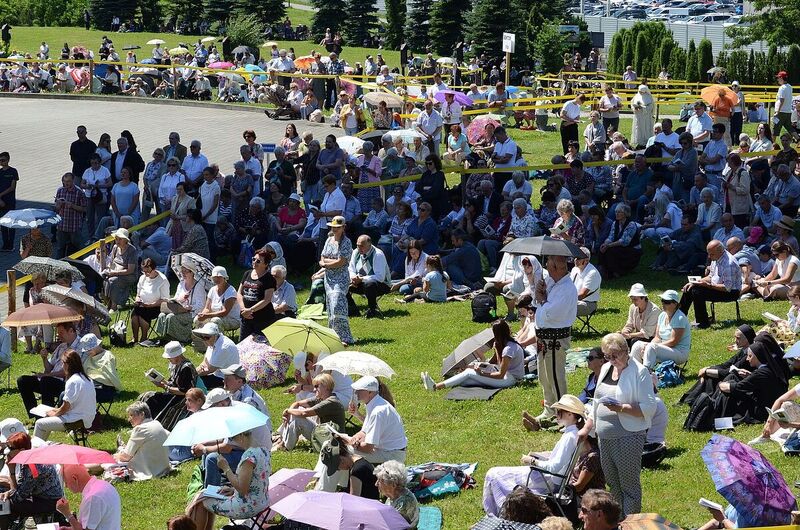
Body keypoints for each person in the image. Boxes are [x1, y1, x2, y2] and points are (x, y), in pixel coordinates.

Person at [579, 333, 656, 517]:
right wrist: (587, 428)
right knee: (613, 484)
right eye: (608, 355)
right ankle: (616, 521)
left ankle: (629, 524)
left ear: (626, 351)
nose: (612, 360)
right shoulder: (606, 368)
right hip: (604, 437)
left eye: (616, 355)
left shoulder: (639, 372)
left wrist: (620, 408)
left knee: (629, 485)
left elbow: (649, 407)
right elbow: (596, 402)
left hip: (628, 436)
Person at [483, 394, 585, 516]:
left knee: (493, 474)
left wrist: (532, 461)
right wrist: (539, 456)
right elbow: (558, 460)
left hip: (547, 480)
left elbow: (555, 467)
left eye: (559, 412)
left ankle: (495, 514)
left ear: (570, 414)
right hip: (549, 477)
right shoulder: (572, 433)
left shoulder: (570, 437)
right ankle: (502, 510)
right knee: (498, 474)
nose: (556, 415)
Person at [315, 376, 407, 491]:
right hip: (387, 450)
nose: (356, 393)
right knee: (331, 446)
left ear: (370, 392)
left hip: (391, 454)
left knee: (335, 450)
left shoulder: (378, 411)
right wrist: (354, 438)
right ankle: (336, 485)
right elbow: (364, 431)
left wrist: (350, 442)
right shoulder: (375, 404)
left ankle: (323, 491)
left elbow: (368, 448)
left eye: (359, 390)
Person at [186, 427, 270, 530]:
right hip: (261, 502)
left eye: (234, 439)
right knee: (206, 496)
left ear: (242, 436)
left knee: (201, 501)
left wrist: (226, 468)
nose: (234, 442)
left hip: (246, 507)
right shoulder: (263, 451)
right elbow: (255, 482)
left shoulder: (248, 458)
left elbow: (242, 490)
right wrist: (232, 490)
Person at [532, 255, 577, 421]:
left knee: (555, 378)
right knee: (543, 376)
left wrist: (542, 299)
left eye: (549, 261)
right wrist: (539, 292)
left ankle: (563, 414)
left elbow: (550, 314)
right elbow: (539, 306)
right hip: (544, 338)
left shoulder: (567, 288)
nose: (546, 263)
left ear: (557, 267)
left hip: (555, 339)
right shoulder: (552, 282)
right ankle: (550, 409)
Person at [422, 319, 524, 392]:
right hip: (505, 374)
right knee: (469, 377)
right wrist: (481, 365)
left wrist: (482, 373)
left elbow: (501, 374)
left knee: (470, 373)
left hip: (510, 379)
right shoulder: (508, 344)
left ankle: (435, 387)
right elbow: (496, 363)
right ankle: (449, 380)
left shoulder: (508, 349)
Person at [680, 325, 757, 407]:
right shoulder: (744, 350)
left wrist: (706, 371)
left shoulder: (749, 356)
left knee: (710, 377)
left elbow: (729, 371)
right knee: (710, 373)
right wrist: (709, 368)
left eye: (738, 338)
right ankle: (691, 399)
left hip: (738, 382)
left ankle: (693, 400)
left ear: (747, 339)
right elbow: (727, 364)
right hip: (732, 375)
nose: (735, 340)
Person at [0, 431, 63, 530]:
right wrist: (8, 493)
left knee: (4, 503)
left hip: (49, 502)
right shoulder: (29, 458)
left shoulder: (33, 467)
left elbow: (18, 497)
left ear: (21, 450)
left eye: (11, 448)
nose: (8, 451)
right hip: (39, 497)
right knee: (3, 497)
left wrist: (11, 469)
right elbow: (19, 488)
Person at [33, 349, 96, 441]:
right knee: (46, 421)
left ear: (68, 364)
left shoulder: (73, 381)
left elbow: (66, 407)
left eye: (63, 363)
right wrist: (54, 410)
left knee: (39, 424)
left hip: (76, 419)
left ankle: (34, 450)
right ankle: (41, 448)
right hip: (87, 417)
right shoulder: (87, 379)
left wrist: (54, 414)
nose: (62, 366)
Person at [274, 373, 346, 452]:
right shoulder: (321, 398)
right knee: (297, 410)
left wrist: (288, 411)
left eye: (316, 386)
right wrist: (289, 412)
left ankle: (285, 446)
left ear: (326, 386)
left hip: (330, 440)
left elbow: (304, 413)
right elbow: (297, 403)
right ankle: (281, 437)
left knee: (298, 417)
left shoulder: (331, 402)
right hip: (322, 432)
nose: (314, 389)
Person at [679, 240, 741, 329]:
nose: (709, 256)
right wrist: (694, 282)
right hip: (717, 287)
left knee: (697, 292)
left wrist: (708, 286)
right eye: (709, 253)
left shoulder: (729, 264)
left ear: (720, 251)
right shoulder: (716, 258)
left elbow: (727, 288)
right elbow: (711, 276)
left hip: (731, 292)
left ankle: (703, 322)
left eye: (711, 254)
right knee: (689, 288)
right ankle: (679, 317)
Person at [141, 341, 197, 428]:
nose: (168, 359)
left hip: (182, 398)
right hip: (175, 394)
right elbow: (173, 383)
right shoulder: (176, 365)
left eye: (170, 357)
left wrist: (164, 386)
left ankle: (152, 424)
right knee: (147, 396)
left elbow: (184, 391)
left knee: (152, 399)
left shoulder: (186, 368)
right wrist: (162, 381)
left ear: (177, 355)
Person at [631, 290, 691, 370]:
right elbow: (657, 337)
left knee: (651, 347)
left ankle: (646, 375)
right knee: (637, 345)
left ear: (675, 304)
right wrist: (647, 346)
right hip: (664, 348)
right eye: (662, 301)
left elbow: (673, 342)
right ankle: (634, 372)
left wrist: (651, 346)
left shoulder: (680, 318)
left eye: (667, 302)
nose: (663, 304)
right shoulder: (662, 315)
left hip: (679, 352)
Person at [319, 216, 355, 345]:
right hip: (328, 278)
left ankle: (344, 336)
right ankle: (333, 335)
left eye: (338, 227)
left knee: (337, 304)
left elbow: (342, 262)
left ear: (343, 228)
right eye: (333, 227)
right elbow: (322, 256)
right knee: (330, 306)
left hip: (341, 278)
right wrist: (327, 262)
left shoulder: (347, 242)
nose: (335, 229)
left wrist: (326, 264)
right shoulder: (329, 240)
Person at [153, 261, 207, 345]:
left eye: (186, 271)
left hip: (192, 313)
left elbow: (201, 306)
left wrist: (190, 307)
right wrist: (180, 299)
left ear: (192, 272)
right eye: (182, 271)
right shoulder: (181, 284)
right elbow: (176, 299)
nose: (183, 274)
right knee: (162, 315)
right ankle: (164, 336)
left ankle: (178, 338)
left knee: (170, 317)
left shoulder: (199, 286)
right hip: (179, 309)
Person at [113, 402, 170, 481]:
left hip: (149, 470)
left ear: (142, 414)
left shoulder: (140, 429)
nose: (129, 419)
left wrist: (116, 456)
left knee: (111, 461)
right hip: (163, 467)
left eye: (132, 415)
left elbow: (125, 457)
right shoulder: (157, 423)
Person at [56, 463, 122, 530]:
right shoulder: (103, 485)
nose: (66, 486)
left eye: (66, 482)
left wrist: (67, 514)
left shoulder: (93, 497)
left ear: (75, 479)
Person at [237, 248, 277, 341]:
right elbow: (239, 293)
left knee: (260, 348)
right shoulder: (247, 273)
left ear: (266, 264)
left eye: (258, 261)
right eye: (253, 259)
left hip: (263, 319)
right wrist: (243, 309)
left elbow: (266, 300)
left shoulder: (269, 279)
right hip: (245, 317)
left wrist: (250, 310)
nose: (254, 262)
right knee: (242, 344)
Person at [194, 266, 241, 345]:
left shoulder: (231, 291)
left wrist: (207, 315)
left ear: (225, 278)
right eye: (214, 277)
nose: (216, 279)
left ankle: (217, 345)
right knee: (197, 319)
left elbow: (225, 312)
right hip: (214, 316)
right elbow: (207, 308)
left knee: (215, 321)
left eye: (219, 277)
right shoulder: (212, 290)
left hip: (232, 319)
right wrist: (203, 314)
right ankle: (201, 344)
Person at [348, 235, 391, 319]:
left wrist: (362, 279)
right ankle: (353, 309)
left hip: (382, 285)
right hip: (360, 282)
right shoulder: (355, 252)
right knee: (341, 282)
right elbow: (351, 268)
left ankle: (372, 310)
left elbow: (380, 277)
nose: (359, 248)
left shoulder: (377, 254)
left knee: (370, 284)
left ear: (369, 244)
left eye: (362, 246)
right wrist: (353, 278)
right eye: (357, 245)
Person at [130, 257, 170, 345]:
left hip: (156, 307)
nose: (146, 274)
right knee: (134, 313)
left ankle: (144, 337)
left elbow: (165, 300)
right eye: (144, 272)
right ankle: (135, 337)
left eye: (148, 272)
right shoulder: (142, 278)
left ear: (154, 269)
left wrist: (151, 305)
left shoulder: (162, 280)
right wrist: (137, 299)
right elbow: (138, 294)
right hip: (142, 305)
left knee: (142, 314)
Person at [596, 203, 642, 280]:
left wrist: (609, 245)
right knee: (602, 248)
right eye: (616, 212)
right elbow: (611, 237)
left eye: (619, 212)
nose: (616, 214)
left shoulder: (631, 224)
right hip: (620, 246)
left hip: (632, 249)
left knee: (611, 250)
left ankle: (616, 271)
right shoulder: (615, 223)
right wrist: (605, 244)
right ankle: (603, 269)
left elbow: (624, 241)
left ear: (625, 214)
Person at [193, 323, 239, 389]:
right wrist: (196, 371)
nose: (204, 340)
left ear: (215, 335)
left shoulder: (223, 347)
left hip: (225, 379)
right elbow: (205, 361)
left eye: (207, 337)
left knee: (194, 383)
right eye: (202, 337)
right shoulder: (213, 342)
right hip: (215, 374)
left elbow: (210, 369)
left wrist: (192, 374)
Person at [374, 460, 419, 528]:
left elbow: (393, 525)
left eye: (380, 481)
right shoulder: (393, 494)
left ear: (393, 484)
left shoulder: (403, 502)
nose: (376, 484)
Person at [101, 227, 137, 311]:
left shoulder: (132, 250)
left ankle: (114, 306)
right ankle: (107, 303)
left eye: (120, 239)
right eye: (116, 239)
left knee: (113, 280)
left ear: (125, 240)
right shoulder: (115, 247)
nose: (117, 241)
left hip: (130, 275)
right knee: (103, 278)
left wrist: (114, 273)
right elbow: (111, 261)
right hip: (115, 271)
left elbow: (130, 270)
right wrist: (108, 270)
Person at [54, 172, 87, 258]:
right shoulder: (60, 190)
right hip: (62, 226)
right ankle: (58, 267)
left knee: (79, 249)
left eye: (68, 181)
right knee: (60, 248)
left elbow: (84, 209)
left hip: (74, 226)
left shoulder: (79, 192)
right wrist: (58, 205)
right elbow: (56, 209)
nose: (66, 183)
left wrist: (72, 205)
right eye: (64, 181)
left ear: (73, 181)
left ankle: (81, 266)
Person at [571, 247, 601, 317]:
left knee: (563, 307)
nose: (575, 260)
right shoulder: (574, 269)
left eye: (578, 258)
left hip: (588, 304)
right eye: (575, 257)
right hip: (575, 301)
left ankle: (563, 327)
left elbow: (582, 295)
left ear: (586, 260)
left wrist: (566, 300)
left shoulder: (592, 273)